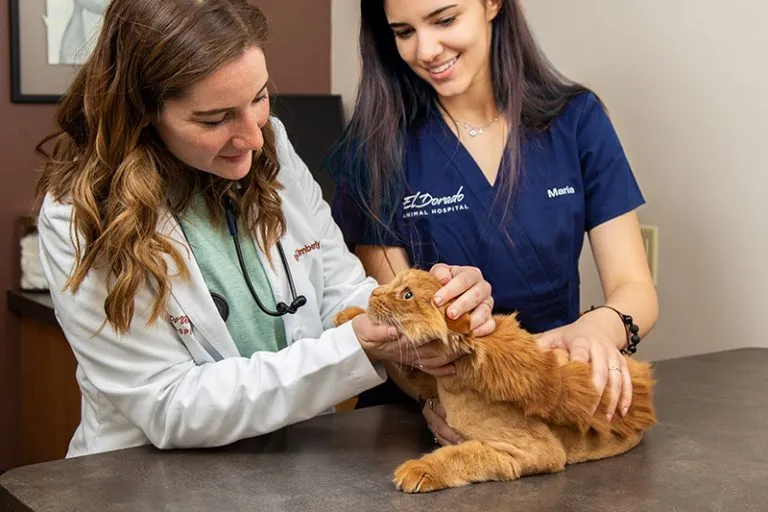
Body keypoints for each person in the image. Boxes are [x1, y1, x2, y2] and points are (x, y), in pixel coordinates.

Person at [34, 0, 495, 458]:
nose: (254, 137)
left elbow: (342, 292)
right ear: (142, 112)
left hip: (292, 465)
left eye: (258, 97)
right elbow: (168, 405)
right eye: (215, 119)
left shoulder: (270, 147)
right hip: (146, 476)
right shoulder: (81, 216)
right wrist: (355, 345)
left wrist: (419, 307)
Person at [328, 0, 659, 446]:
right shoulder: (374, 147)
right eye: (404, 32)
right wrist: (438, 401)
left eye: (445, 20)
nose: (426, 50)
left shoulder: (576, 120)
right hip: (426, 418)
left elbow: (635, 288)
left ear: (491, 4)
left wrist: (597, 329)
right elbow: (397, 329)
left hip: (547, 397)